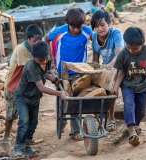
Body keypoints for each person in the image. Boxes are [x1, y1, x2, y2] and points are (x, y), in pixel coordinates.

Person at [44, 8, 93, 141]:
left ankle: (75, 131)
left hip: (79, 72)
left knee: (75, 100)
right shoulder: (60, 31)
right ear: (68, 23)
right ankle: (61, 120)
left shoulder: (86, 31)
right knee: (62, 99)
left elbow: (98, 40)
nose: (76, 30)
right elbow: (46, 38)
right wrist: (50, 58)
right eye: (73, 27)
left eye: (79, 27)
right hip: (62, 72)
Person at [13, 41, 68, 158]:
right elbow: (42, 87)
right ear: (33, 57)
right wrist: (60, 93)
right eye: (40, 61)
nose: (43, 62)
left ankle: (27, 146)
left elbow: (43, 74)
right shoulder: (30, 66)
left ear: (48, 54)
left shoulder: (46, 59)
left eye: (45, 60)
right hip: (23, 96)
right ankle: (19, 148)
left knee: (33, 123)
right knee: (24, 120)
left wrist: (53, 79)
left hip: (34, 97)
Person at [3, 24, 43, 145]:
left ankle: (27, 139)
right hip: (12, 86)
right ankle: (6, 137)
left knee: (27, 115)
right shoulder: (22, 50)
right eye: (35, 41)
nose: (37, 44)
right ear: (27, 39)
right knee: (11, 115)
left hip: (25, 88)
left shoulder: (34, 49)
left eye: (39, 41)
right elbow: (34, 70)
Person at [90, 10, 124, 132]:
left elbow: (120, 53)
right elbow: (95, 58)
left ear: (108, 23)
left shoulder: (115, 33)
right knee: (97, 87)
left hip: (121, 65)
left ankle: (111, 118)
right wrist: (95, 71)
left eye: (102, 25)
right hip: (107, 67)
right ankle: (101, 113)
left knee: (112, 88)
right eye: (96, 26)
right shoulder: (94, 38)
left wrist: (109, 65)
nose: (100, 29)